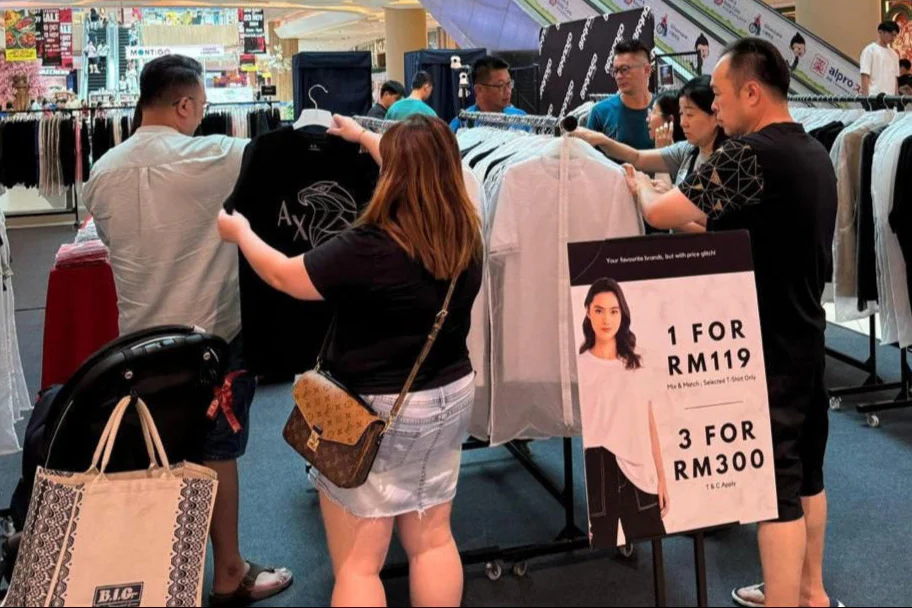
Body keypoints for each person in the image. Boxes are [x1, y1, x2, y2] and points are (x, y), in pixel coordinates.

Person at [217, 113, 482, 608]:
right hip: (449, 395)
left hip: (373, 409)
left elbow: (284, 276)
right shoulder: (465, 226)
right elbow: (419, 166)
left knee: (359, 566)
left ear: (394, 173)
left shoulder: (371, 246)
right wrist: (362, 136)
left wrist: (242, 233)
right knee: (433, 540)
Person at [623, 37, 840, 608]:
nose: (714, 108)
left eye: (718, 96)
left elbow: (664, 213)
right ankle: (811, 592)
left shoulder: (751, 155)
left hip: (767, 346)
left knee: (778, 493)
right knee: (808, 474)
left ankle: (787, 601)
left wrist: (642, 186)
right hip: (806, 335)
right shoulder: (815, 152)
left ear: (751, 90)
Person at [83, 54, 293, 607]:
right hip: (212, 339)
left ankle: (158, 575)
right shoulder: (217, 157)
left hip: (138, 343)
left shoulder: (100, 172)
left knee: (158, 451)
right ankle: (228, 570)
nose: (201, 116)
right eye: (199, 107)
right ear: (182, 105)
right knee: (216, 451)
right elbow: (279, 158)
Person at [578, 278, 669, 548]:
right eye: (599, 310)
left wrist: (662, 477)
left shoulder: (637, 361)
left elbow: (648, 420)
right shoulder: (581, 366)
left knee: (654, 541)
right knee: (600, 551)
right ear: (587, 311)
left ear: (622, 314)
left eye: (614, 311)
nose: (607, 319)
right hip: (598, 464)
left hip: (638, 466)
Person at [573, 75, 725, 187]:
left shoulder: (726, 161)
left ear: (715, 114)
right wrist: (602, 139)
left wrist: (644, 188)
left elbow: (674, 217)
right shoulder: (687, 150)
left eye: (690, 114)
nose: (684, 122)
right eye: (681, 114)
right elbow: (637, 157)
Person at [587, 39, 654, 151]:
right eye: (615, 70)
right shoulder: (600, 113)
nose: (618, 76)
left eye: (624, 70)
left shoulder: (665, 109)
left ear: (647, 70)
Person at [449, 55, 528, 131]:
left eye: (509, 84)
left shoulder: (520, 120)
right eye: (500, 85)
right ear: (479, 90)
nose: (508, 91)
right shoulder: (462, 123)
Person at [861, 21, 900, 97]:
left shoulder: (894, 55)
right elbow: (865, 75)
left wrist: (896, 98)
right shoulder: (870, 50)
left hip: (890, 98)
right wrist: (865, 98)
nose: (893, 38)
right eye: (891, 34)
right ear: (881, 32)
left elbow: (895, 78)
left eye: (895, 35)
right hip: (874, 96)